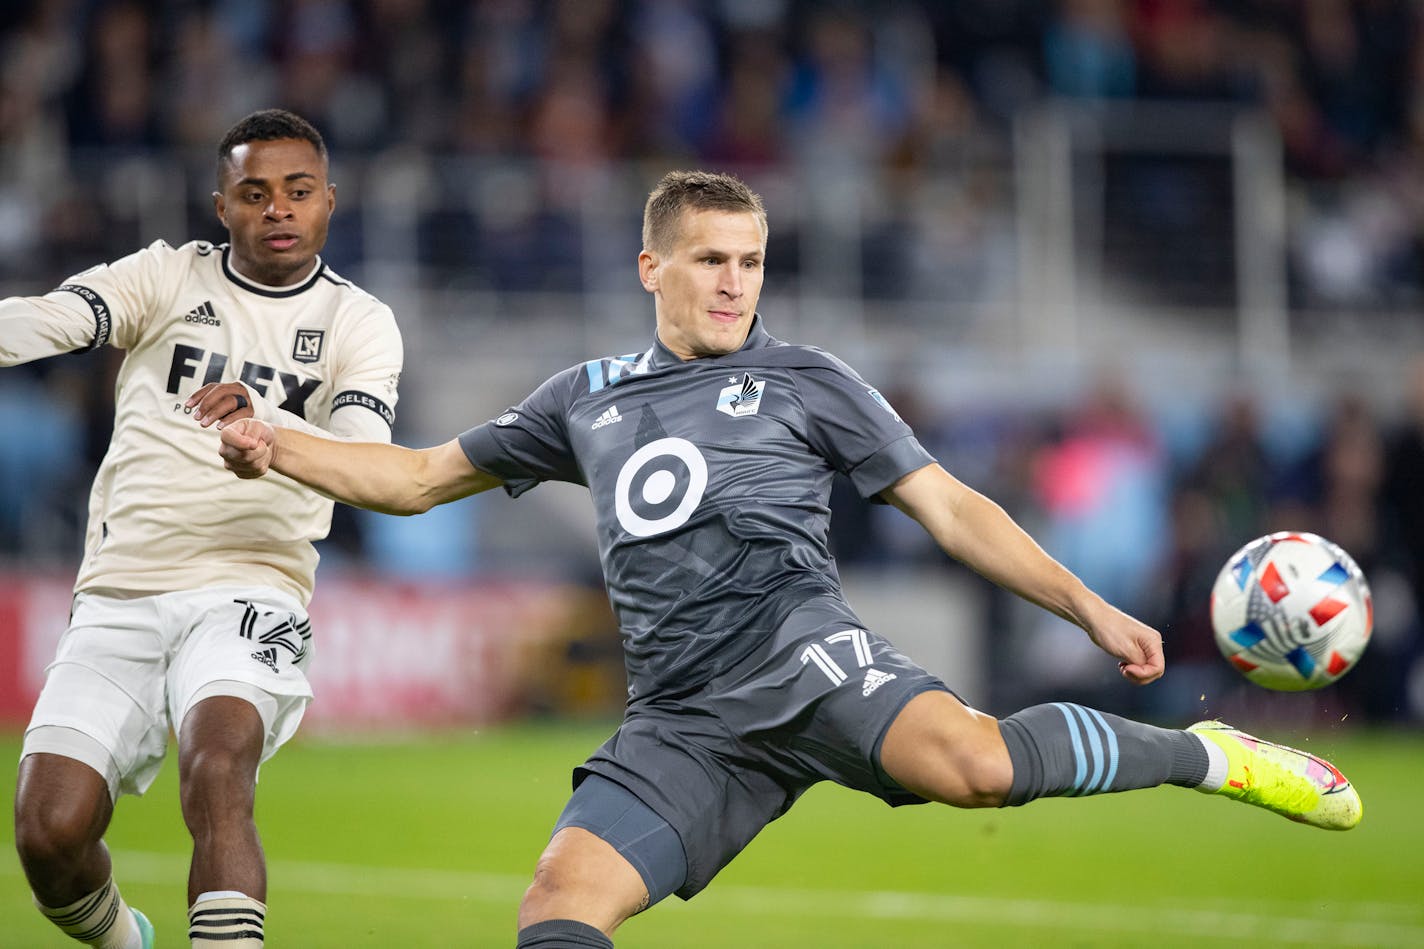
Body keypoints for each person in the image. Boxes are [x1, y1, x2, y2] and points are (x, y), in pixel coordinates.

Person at [215, 170, 1360, 948]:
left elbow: (949, 509)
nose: (733, 282)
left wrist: (1088, 610)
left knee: (971, 770)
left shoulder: (808, 379)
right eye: (709, 259)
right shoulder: (579, 402)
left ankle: (1201, 755)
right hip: (680, 716)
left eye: (751, 261)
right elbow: (414, 479)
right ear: (649, 268)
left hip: (799, 650)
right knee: (558, 903)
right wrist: (278, 445)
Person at [3, 109, 403, 949]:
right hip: (120, 591)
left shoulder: (357, 322)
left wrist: (271, 437)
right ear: (222, 206)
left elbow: (367, 459)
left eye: (298, 192)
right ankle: (125, 939)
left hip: (251, 587)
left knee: (218, 767)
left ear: (330, 201)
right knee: (48, 832)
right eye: (254, 193)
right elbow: (56, 316)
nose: (278, 210)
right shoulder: (166, 276)